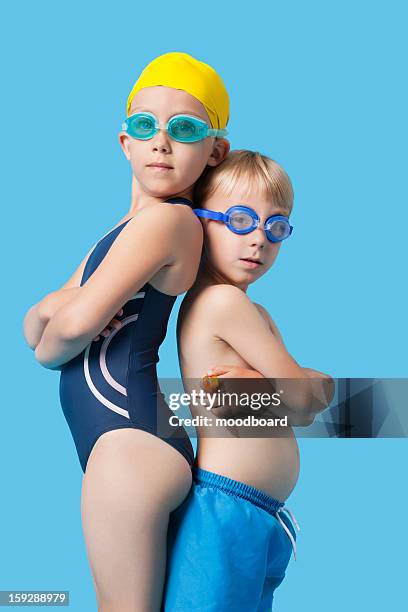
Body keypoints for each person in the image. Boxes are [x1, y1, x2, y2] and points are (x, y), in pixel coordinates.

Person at [22, 52, 230, 611]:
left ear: (215, 150)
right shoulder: (126, 228)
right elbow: (35, 330)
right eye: (146, 125)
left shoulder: (169, 221)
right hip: (125, 442)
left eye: (184, 128)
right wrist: (56, 314)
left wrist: (59, 314)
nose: (161, 141)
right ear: (125, 143)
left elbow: (64, 332)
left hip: (129, 446)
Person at [162, 150, 335, 611]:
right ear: (200, 221)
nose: (258, 240)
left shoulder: (251, 311)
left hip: (258, 512)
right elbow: (304, 398)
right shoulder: (223, 302)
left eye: (275, 227)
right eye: (239, 220)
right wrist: (293, 386)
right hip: (225, 508)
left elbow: (321, 391)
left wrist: (262, 383)